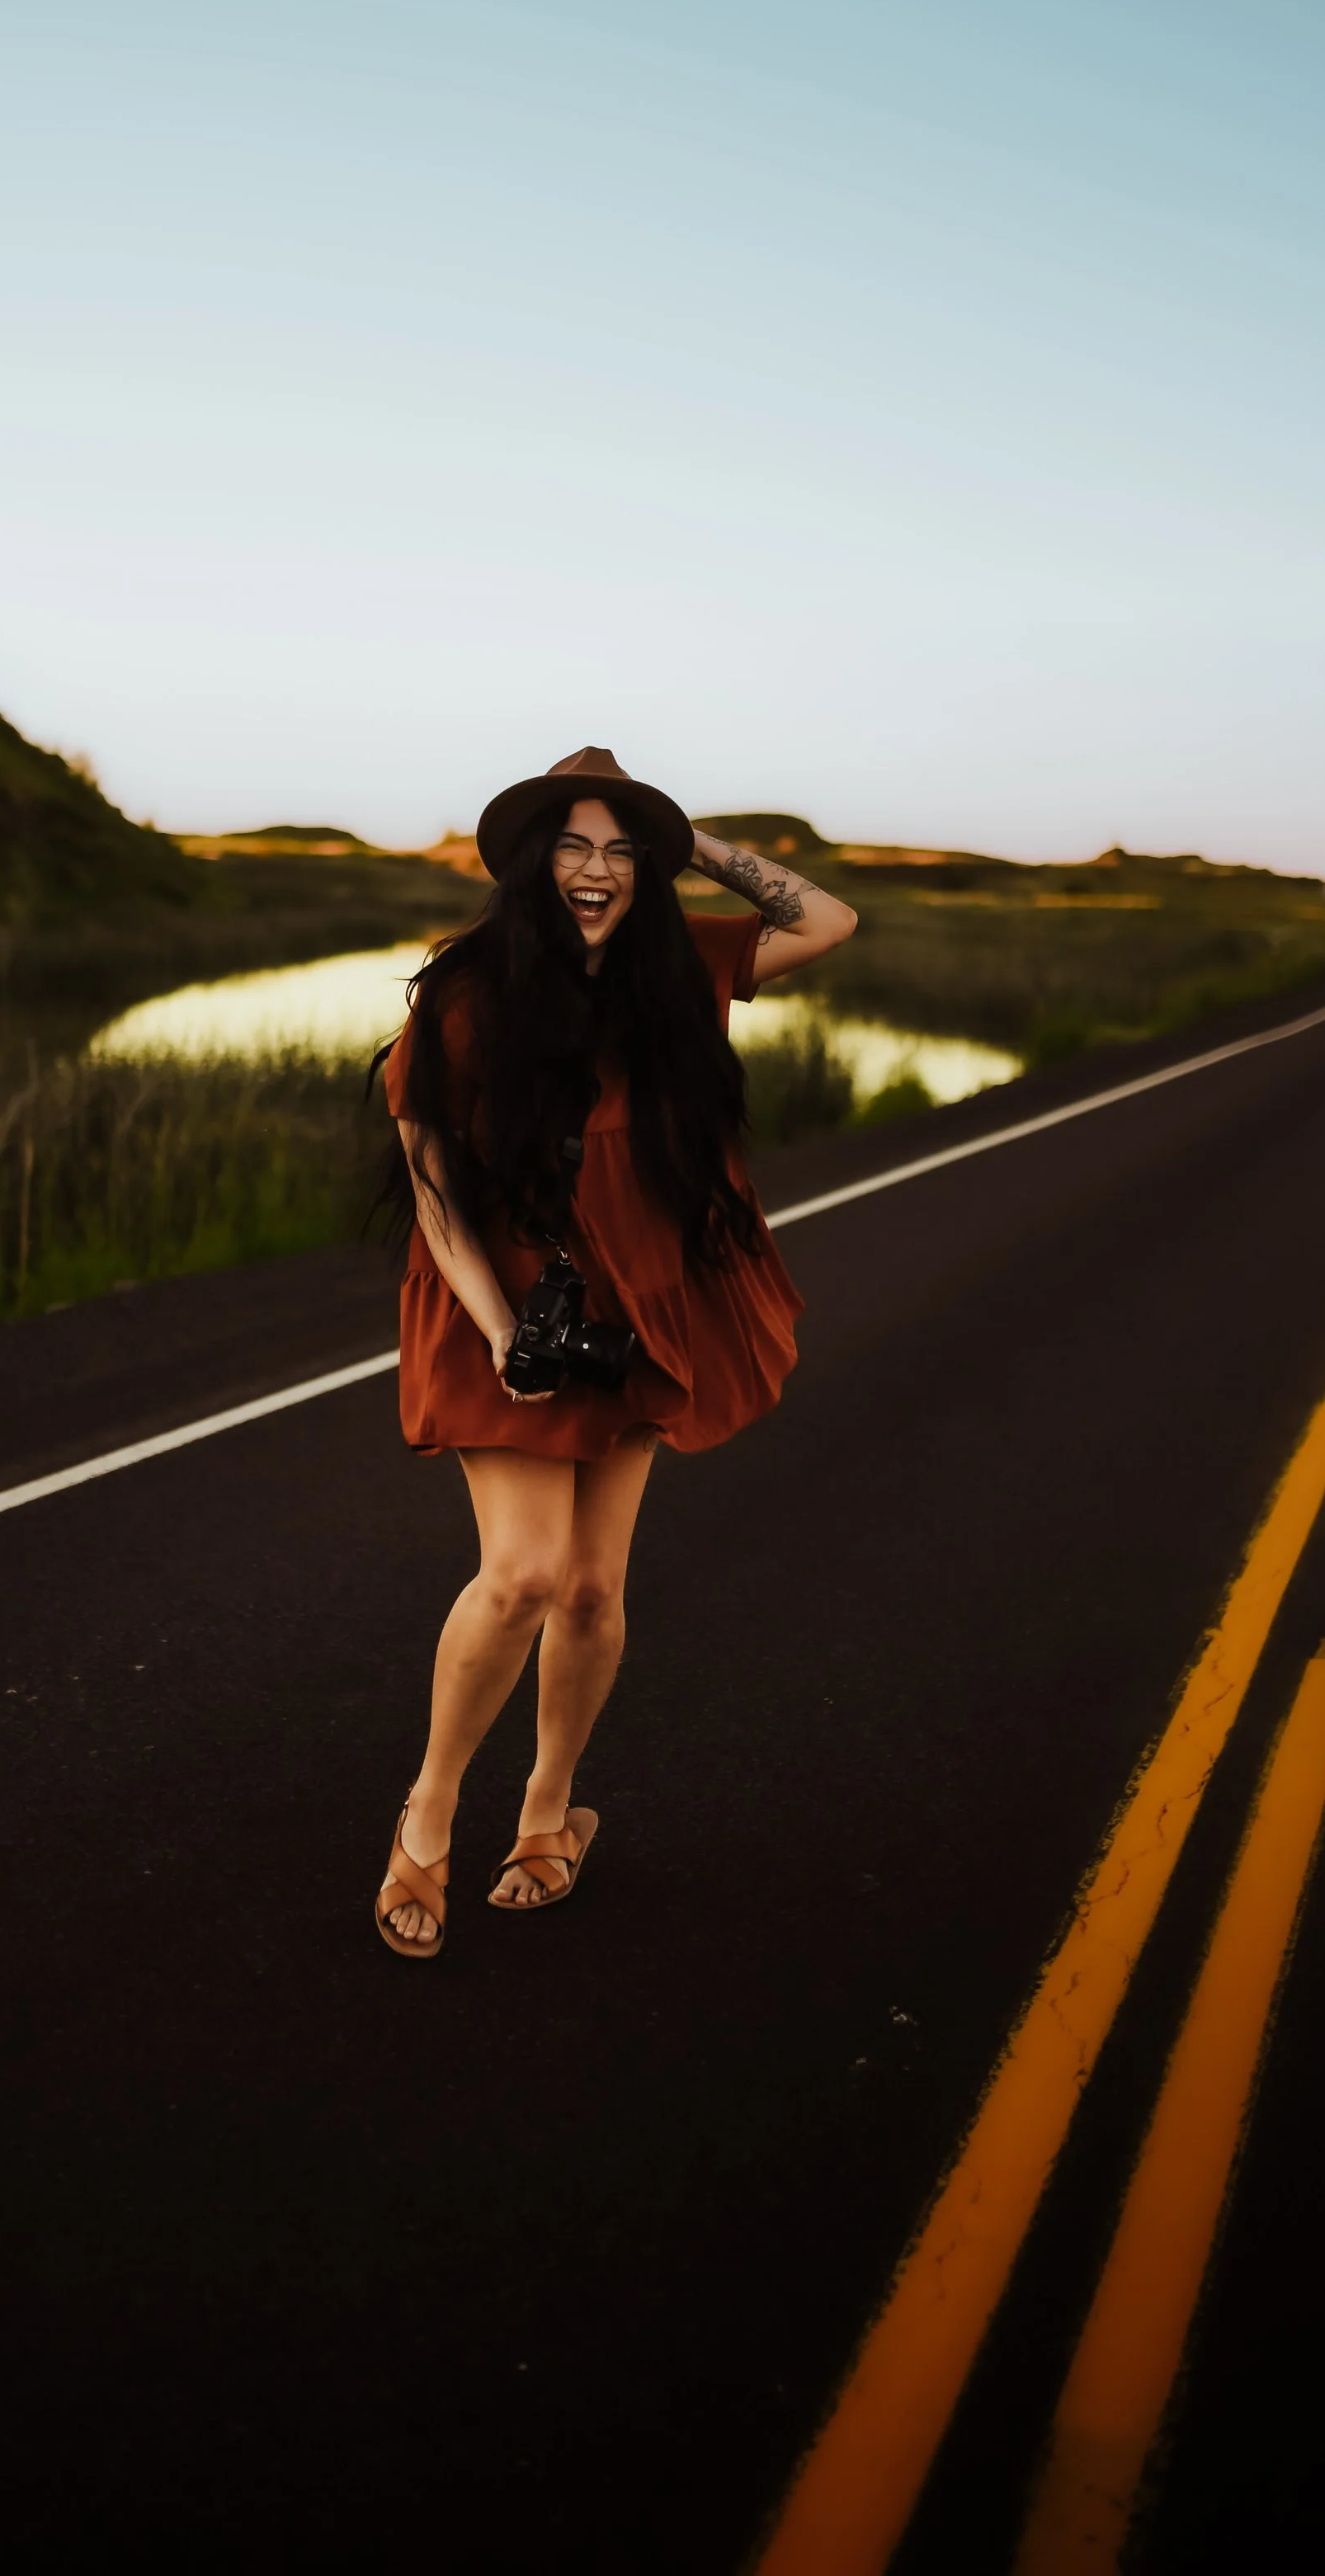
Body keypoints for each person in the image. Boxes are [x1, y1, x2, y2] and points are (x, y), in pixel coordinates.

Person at [372, 746, 858, 1959]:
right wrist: (496, 1333)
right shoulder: (467, 997)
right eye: (573, 847)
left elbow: (830, 918)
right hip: (510, 1306)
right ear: (535, 865)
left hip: (642, 1305)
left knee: (594, 1589)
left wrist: (698, 846)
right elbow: (433, 1192)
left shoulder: (679, 970)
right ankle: (426, 1818)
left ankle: (550, 1813)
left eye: (620, 849)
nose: (595, 870)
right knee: (523, 1576)